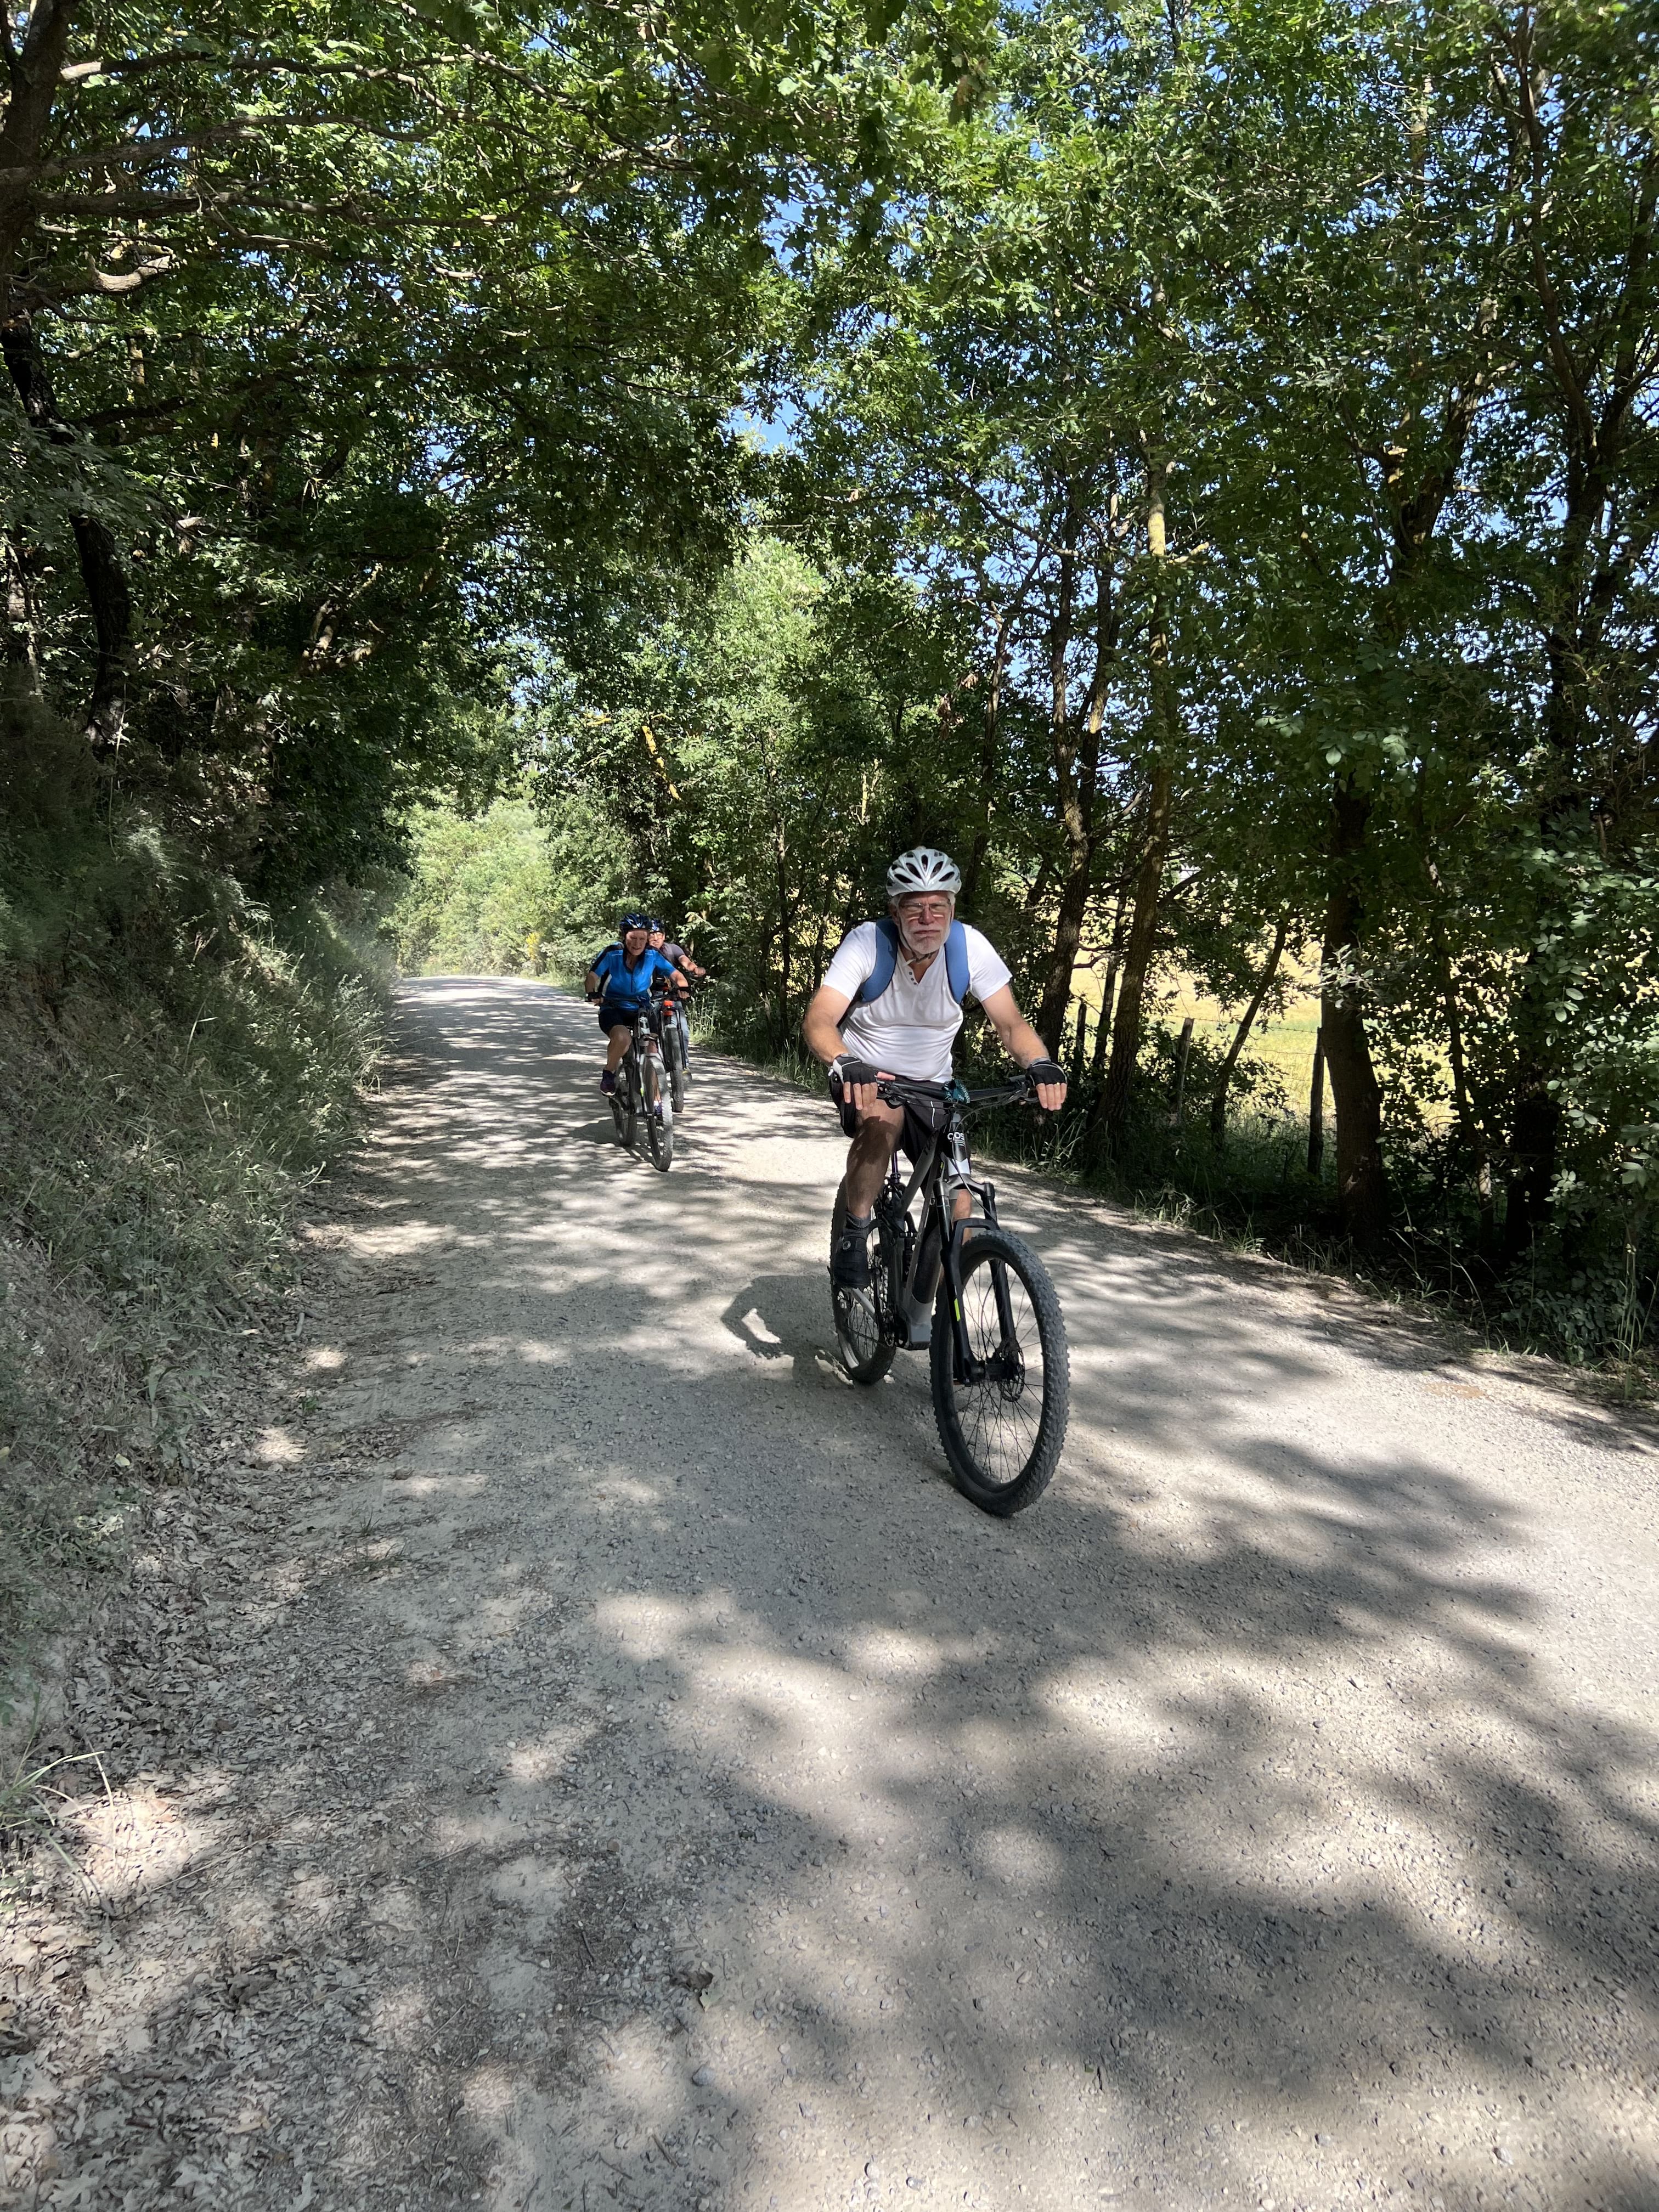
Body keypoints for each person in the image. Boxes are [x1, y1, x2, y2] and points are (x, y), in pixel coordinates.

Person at [800, 847, 1067, 1288]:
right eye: (915, 907)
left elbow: (1011, 1023)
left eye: (937, 906)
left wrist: (1039, 1062)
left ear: (952, 908)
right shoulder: (869, 942)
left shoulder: (969, 947)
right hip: (870, 1077)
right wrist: (845, 1061)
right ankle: (855, 1230)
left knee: (959, 1200)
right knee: (883, 1124)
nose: (927, 917)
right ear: (895, 910)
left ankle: (929, 1301)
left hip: (935, 1086)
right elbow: (820, 1019)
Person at [585, 912, 681, 1095]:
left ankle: (657, 1102)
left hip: (641, 1008)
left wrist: (684, 987)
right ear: (625, 936)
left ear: (647, 940)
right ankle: (609, 1073)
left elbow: (675, 974)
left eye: (642, 939)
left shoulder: (652, 956)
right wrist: (592, 993)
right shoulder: (612, 953)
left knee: (653, 1049)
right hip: (613, 1007)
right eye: (633, 938)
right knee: (622, 1039)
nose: (637, 944)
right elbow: (592, 976)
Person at [647, 920, 707, 984]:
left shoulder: (672, 949)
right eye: (652, 935)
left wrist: (695, 969)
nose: (656, 939)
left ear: (664, 936)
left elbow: (685, 961)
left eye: (659, 935)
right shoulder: (640, 951)